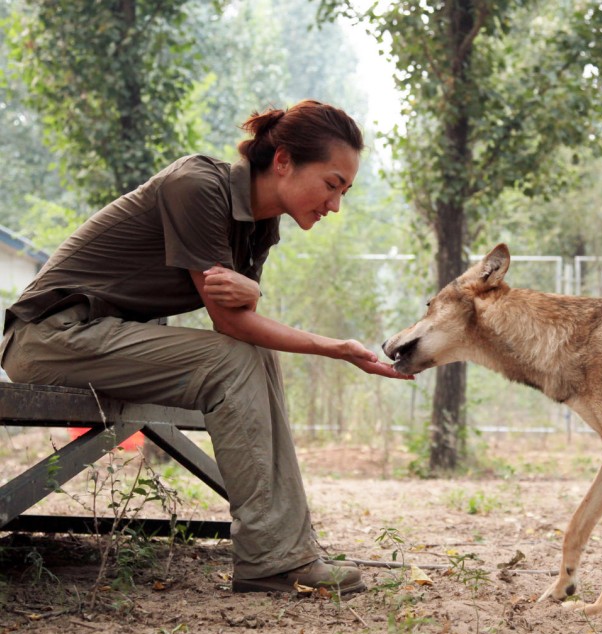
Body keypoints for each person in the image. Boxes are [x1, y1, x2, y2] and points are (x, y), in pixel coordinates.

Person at [0, 100, 411, 594]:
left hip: (98, 339)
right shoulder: (197, 185)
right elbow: (230, 320)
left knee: (251, 356)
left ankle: (285, 551)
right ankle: (274, 558)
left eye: (344, 191)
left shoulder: (260, 226)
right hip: (49, 338)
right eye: (331, 184)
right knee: (234, 359)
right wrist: (330, 344)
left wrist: (265, 303)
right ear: (282, 161)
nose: (335, 205)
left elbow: (242, 324)